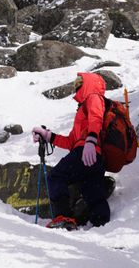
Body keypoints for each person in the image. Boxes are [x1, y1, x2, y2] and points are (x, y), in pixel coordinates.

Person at [32, 71, 110, 230]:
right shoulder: (83, 109)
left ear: (87, 84)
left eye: (79, 85)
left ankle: (64, 218)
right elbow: (70, 142)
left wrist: (90, 140)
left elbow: (97, 119)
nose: (76, 89)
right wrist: (48, 136)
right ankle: (103, 226)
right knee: (91, 190)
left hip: (86, 151)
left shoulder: (93, 97)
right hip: (95, 157)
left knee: (57, 175)